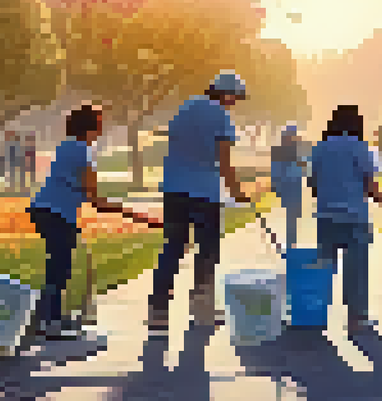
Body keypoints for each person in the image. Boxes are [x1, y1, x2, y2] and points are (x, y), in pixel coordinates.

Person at [28, 105, 163, 340]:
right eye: (100, 122)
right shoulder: (83, 151)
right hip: (55, 213)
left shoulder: (68, 146)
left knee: (58, 266)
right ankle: (49, 323)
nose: (103, 126)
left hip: (46, 210)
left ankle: (48, 318)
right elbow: (96, 201)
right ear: (90, 126)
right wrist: (139, 216)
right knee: (60, 269)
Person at [146, 71, 254, 337]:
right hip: (204, 192)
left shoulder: (187, 107)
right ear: (226, 94)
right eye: (235, 98)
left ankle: (158, 312)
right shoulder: (221, 116)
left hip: (174, 189)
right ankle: (202, 310)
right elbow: (225, 163)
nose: (234, 104)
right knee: (206, 252)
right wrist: (238, 193)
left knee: (172, 248)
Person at [308, 105, 382, 333]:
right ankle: (355, 320)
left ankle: (315, 315)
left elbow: (312, 184)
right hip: (354, 218)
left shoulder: (319, 148)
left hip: (326, 216)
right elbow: (371, 188)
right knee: (356, 271)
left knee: (324, 268)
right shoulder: (359, 147)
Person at [270, 123, 308, 246]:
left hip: (293, 185)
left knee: (293, 215)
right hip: (287, 185)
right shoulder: (281, 150)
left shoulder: (297, 150)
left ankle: (292, 241)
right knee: (291, 215)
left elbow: (304, 167)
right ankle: (291, 242)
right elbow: (275, 169)